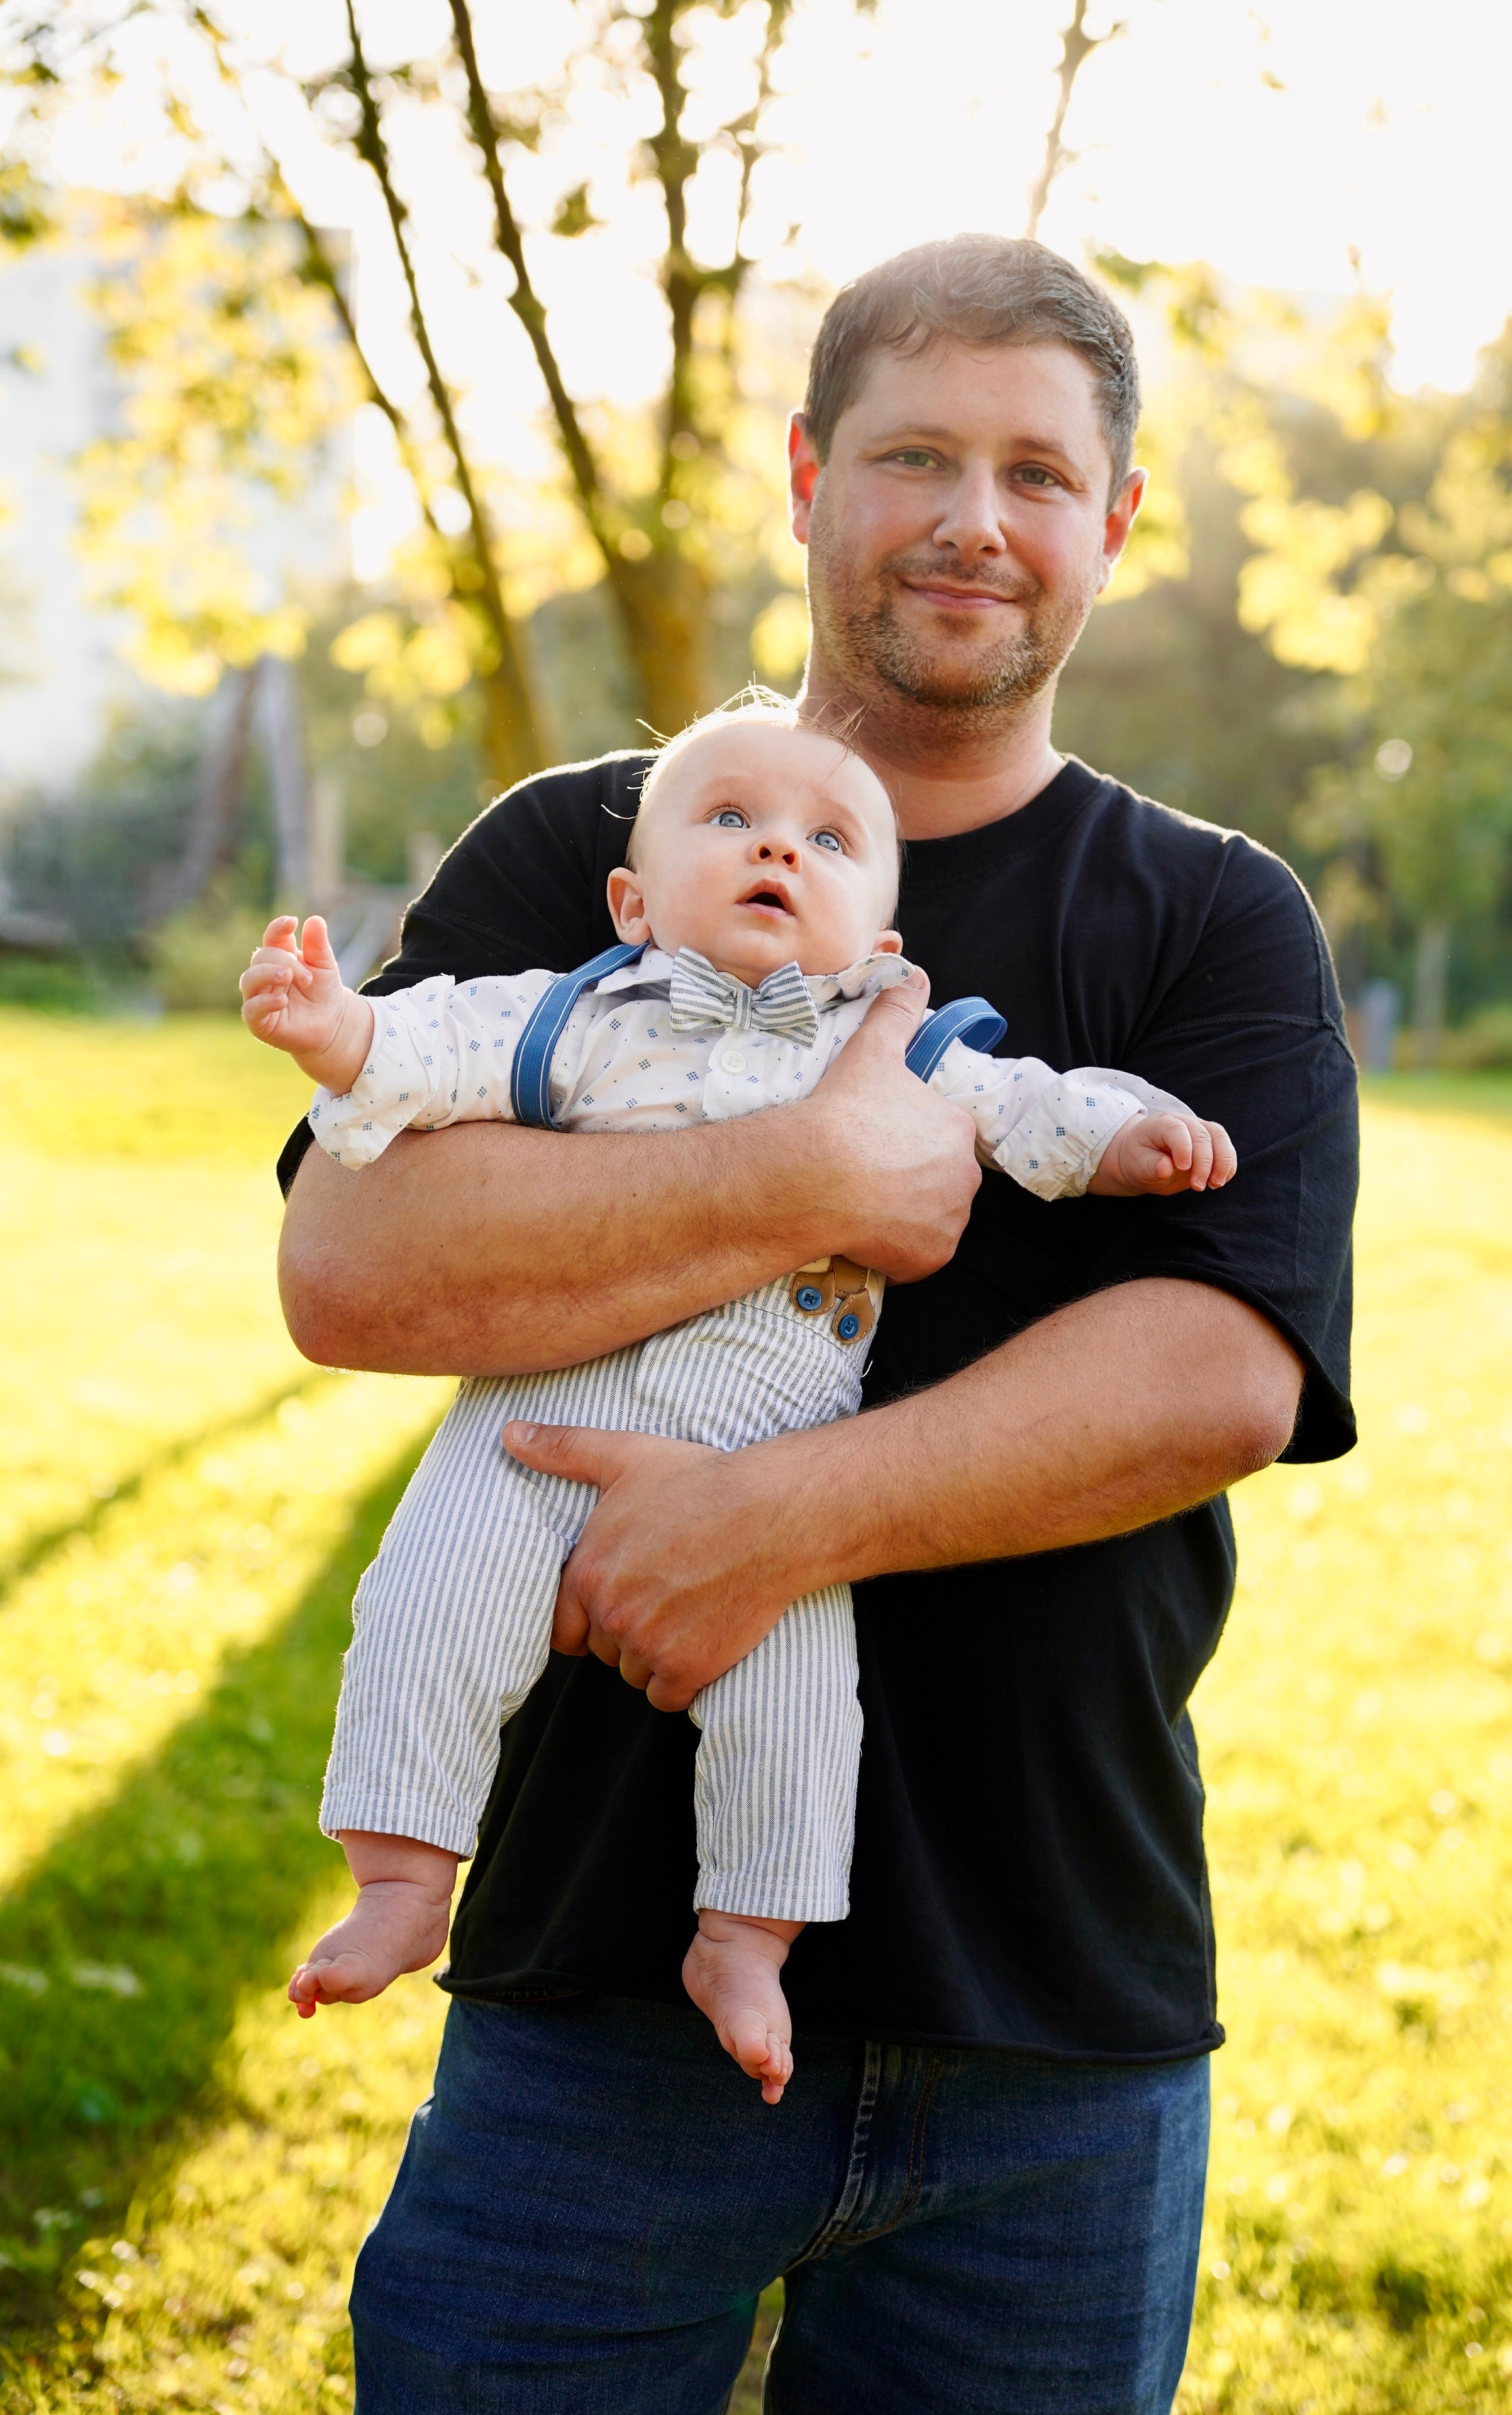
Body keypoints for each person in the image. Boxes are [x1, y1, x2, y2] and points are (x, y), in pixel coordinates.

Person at [275, 233, 1357, 2414]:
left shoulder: (1214, 915)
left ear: (1118, 524)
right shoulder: (585, 854)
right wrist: (807, 1181)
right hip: (593, 2001)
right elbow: (354, 1269)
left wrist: (769, 1524)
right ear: (805, 481)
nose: (976, 518)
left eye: (1041, 473)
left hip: (1052, 2015)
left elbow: (1224, 1371)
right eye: (916, 456)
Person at [242, 697, 1234, 2105]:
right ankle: (402, 1877)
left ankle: (744, 1937)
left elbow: (1031, 1109)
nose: (778, 848)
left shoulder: (899, 1044)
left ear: (882, 944)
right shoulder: (577, 1008)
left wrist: (1131, 1135)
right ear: (632, 900)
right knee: (427, 1597)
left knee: (794, 1703)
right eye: (731, 823)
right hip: (535, 1414)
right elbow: (430, 1052)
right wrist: (333, 1027)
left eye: (827, 840)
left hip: (770, 1438)